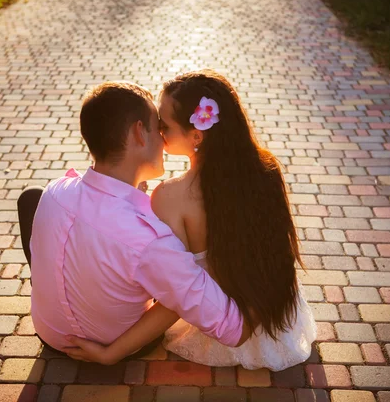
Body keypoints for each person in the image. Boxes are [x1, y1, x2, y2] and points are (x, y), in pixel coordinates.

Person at [65, 70, 316, 371]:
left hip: (217, 331)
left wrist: (112, 352)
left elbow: (174, 297)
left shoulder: (170, 197)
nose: (156, 132)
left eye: (164, 125)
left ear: (196, 135)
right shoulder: (267, 171)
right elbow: (277, 258)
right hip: (274, 319)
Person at [17, 81, 253, 362]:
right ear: (139, 132)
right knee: (172, 278)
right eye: (159, 128)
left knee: (33, 199)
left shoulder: (55, 190)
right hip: (113, 344)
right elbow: (234, 330)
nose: (164, 140)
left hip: (50, 333)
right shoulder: (149, 239)